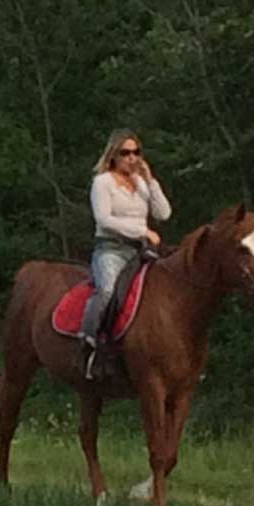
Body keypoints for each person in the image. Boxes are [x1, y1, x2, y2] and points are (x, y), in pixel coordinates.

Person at [80, 129, 171, 379]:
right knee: (108, 291)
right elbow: (104, 219)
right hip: (110, 248)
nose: (132, 158)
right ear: (113, 155)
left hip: (140, 251)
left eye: (136, 152)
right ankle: (93, 346)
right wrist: (142, 229)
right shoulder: (103, 182)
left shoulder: (142, 184)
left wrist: (151, 181)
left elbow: (163, 214)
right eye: (125, 153)